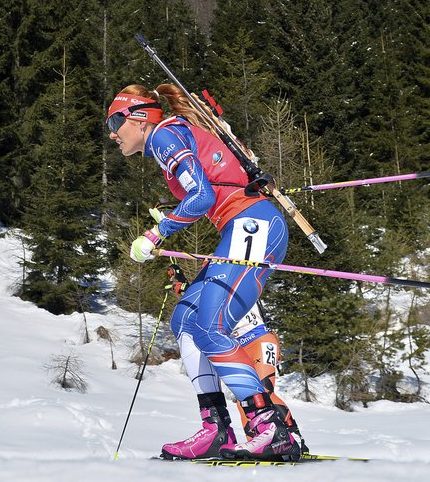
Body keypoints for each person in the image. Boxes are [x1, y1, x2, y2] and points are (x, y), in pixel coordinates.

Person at [107, 85, 300, 462]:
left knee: (211, 326)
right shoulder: (172, 135)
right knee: (187, 319)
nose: (113, 133)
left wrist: (156, 232)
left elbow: (202, 198)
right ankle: (216, 428)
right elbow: (210, 185)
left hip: (253, 224)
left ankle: (270, 427)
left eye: (116, 121)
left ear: (139, 117)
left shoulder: (163, 134)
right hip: (243, 225)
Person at [230, 304, 307, 453]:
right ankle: (256, 444)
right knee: (244, 401)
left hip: (260, 339)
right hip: (238, 348)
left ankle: (293, 436)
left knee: (264, 392)